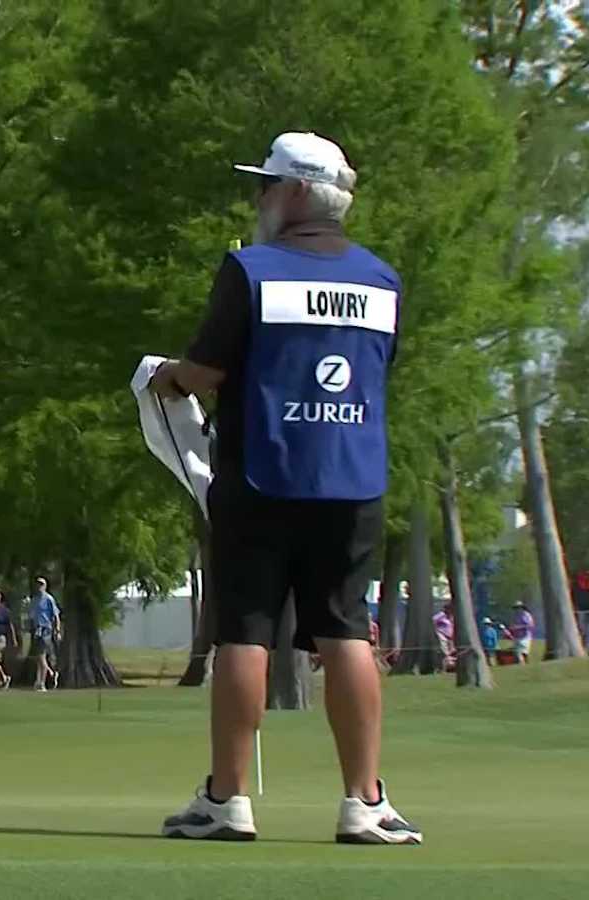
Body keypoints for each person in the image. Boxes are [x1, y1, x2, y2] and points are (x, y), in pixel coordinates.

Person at [150, 133, 420, 844]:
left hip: (263, 471)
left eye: (267, 185)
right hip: (352, 476)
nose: (261, 198)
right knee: (344, 629)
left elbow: (207, 370)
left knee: (245, 630)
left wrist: (166, 378)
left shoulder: (251, 269)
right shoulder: (382, 279)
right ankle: (365, 802)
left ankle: (225, 799)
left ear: (297, 192)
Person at [29, 577, 62, 691]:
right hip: (36, 630)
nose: (39, 586)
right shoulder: (34, 599)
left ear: (45, 586)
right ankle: (47, 676)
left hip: (45, 629)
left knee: (41, 656)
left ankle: (42, 683)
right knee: (38, 658)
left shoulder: (48, 598)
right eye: (38, 584)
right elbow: (32, 616)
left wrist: (57, 630)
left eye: (41, 584)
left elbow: (56, 615)